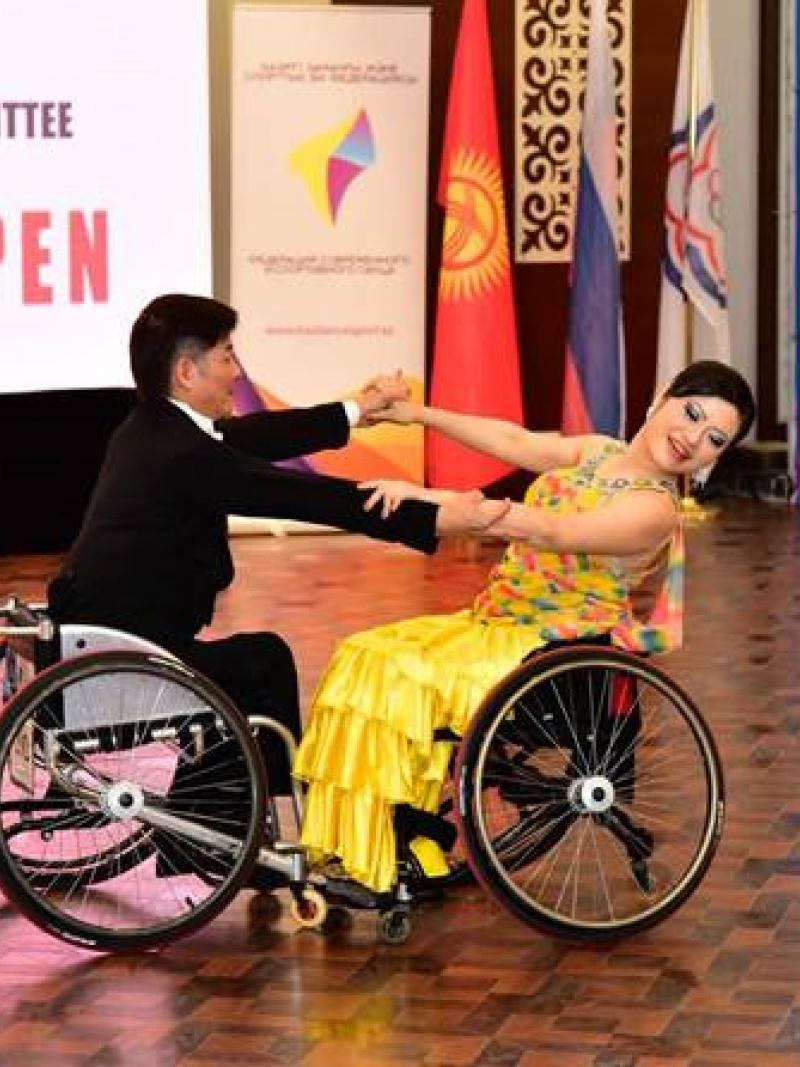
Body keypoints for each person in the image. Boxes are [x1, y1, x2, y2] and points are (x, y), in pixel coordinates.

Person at [294, 360, 756, 893]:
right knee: (364, 652)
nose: (691, 438)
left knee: (402, 672)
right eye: (691, 413)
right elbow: (511, 439)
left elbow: (556, 531)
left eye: (713, 439)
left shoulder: (655, 509)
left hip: (551, 646)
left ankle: (405, 842)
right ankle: (367, 843)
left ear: (713, 460)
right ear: (662, 398)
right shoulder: (598, 451)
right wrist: (416, 415)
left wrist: (441, 502)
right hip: (494, 621)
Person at [47, 293, 508, 817]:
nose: (237, 370)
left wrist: (360, 411)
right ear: (185, 372)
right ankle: (249, 826)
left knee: (246, 664)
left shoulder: (151, 429)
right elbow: (305, 497)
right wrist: (435, 517)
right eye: (226, 356)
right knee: (261, 662)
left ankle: (221, 827)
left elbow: (252, 437)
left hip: (98, 648)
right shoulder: (181, 453)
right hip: (121, 667)